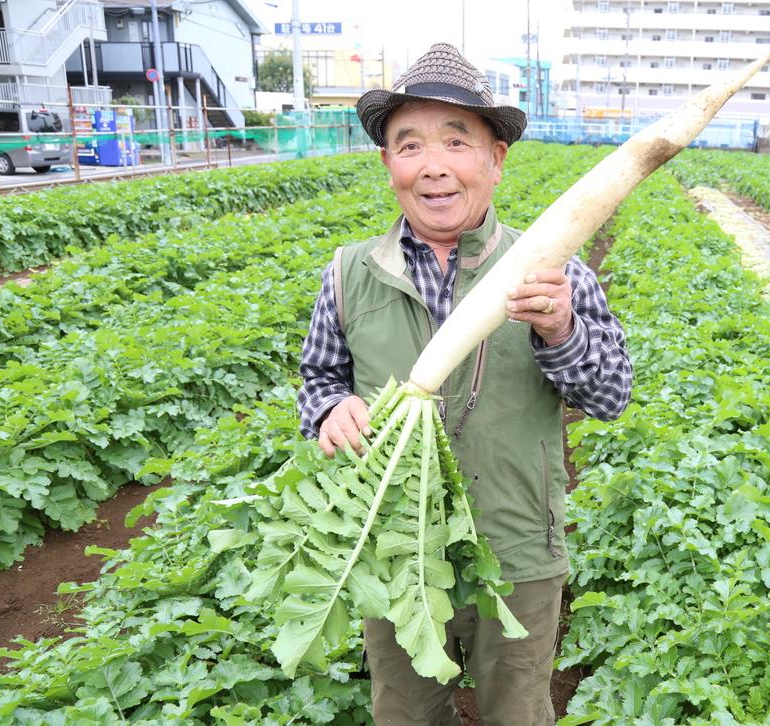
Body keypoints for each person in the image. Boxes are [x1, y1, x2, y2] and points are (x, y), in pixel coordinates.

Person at [297, 42, 632, 726]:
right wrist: (331, 409)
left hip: (517, 548)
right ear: (388, 163)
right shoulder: (347, 274)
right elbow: (319, 381)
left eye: (457, 141)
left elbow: (610, 397)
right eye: (410, 145)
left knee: (517, 711)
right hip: (396, 550)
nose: (435, 166)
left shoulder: (555, 271)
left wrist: (561, 331)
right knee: (406, 715)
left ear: (495, 158)